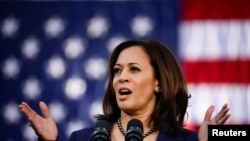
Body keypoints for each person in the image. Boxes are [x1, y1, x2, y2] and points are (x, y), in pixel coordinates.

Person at [19, 39, 230, 141]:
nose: (122, 77)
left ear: (159, 82)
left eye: (134, 69)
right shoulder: (81, 138)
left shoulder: (190, 140)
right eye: (117, 71)